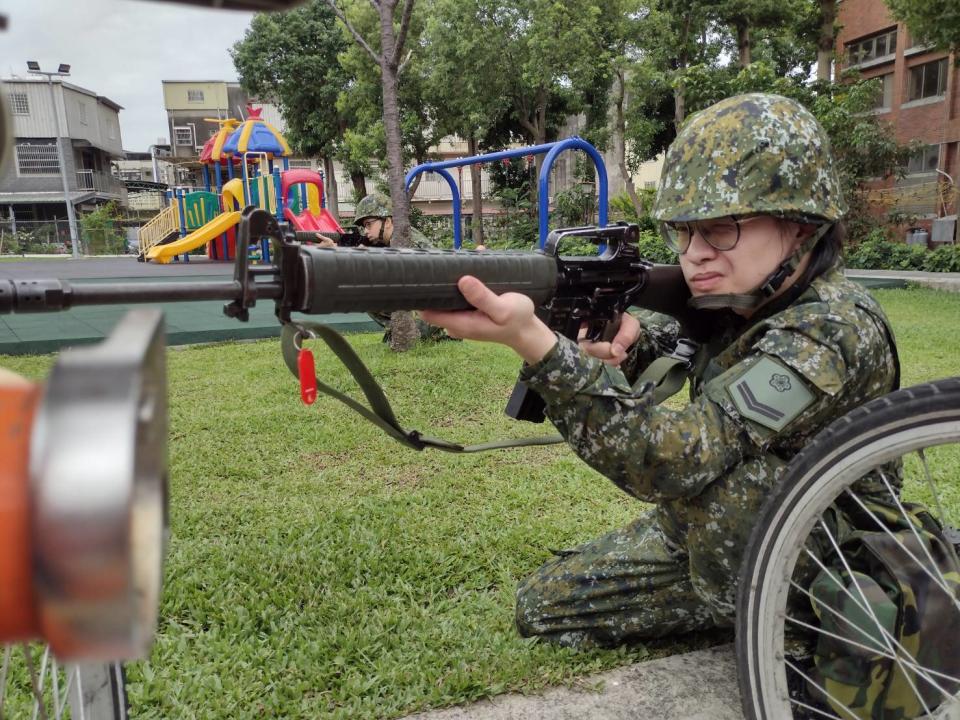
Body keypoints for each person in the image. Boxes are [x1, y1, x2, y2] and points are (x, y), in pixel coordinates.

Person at [420, 93, 900, 648]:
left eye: (721, 229)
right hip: (713, 530)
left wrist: (540, 348)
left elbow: (674, 462)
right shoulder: (748, 299)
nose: (694, 253)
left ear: (799, 227)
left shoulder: (831, 330)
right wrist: (632, 339)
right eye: (684, 231)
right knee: (542, 607)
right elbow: (678, 344)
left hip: (836, 547)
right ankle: (726, 590)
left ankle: (792, 624)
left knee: (741, 487)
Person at [318, 192, 450, 342]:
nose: (366, 231)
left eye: (369, 224)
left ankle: (411, 333)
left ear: (387, 222)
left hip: (434, 317)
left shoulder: (406, 243)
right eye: (364, 226)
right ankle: (401, 331)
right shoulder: (397, 239)